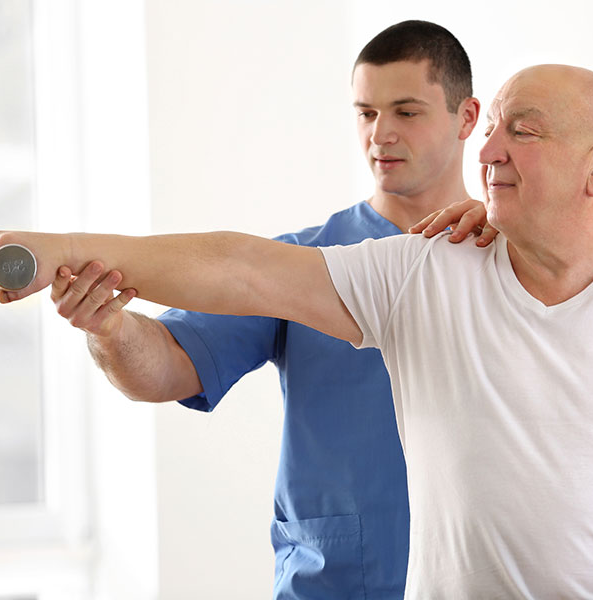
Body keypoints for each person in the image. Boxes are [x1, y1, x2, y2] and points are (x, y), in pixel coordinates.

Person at [0, 65, 593, 598]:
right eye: (491, 128)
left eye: (519, 133)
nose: (490, 150)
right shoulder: (420, 273)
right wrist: (64, 251)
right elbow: (240, 269)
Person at [42, 21, 494, 598]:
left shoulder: (507, 259)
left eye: (406, 111)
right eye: (365, 113)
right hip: (335, 583)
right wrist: (108, 327)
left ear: (467, 117)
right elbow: (164, 368)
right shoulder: (302, 265)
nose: (380, 134)